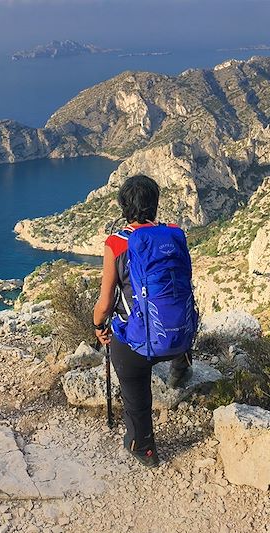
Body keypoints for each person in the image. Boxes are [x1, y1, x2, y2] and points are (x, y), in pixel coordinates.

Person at [93, 174, 193, 468]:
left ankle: (143, 446)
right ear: (155, 205)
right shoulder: (175, 235)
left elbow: (105, 303)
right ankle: (181, 367)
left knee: (133, 382)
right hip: (180, 337)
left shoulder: (116, 243)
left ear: (124, 206)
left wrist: (99, 327)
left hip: (138, 345)